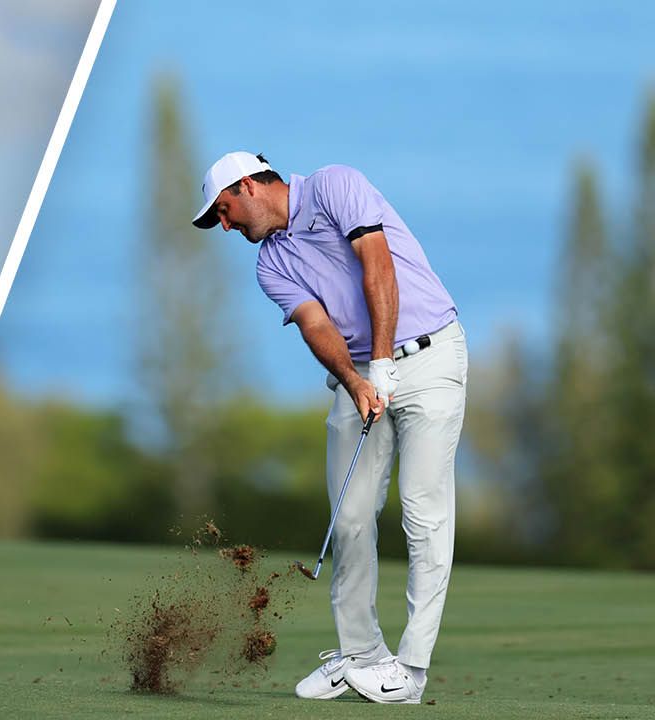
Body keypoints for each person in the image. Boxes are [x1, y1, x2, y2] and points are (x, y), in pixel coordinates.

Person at [192, 152, 466, 704]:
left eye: (224, 211)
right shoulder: (270, 264)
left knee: (423, 511)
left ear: (247, 186)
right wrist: (355, 380)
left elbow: (377, 263)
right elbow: (316, 323)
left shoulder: (335, 185)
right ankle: (362, 655)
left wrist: (384, 363)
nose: (224, 226)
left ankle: (409, 672)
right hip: (360, 373)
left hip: (429, 358)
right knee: (350, 515)